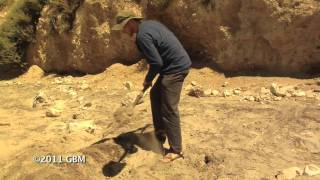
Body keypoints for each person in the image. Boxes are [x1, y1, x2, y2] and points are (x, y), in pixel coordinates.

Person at [112, 10, 192, 162]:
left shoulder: (142, 37)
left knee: (169, 108)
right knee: (155, 95)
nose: (122, 31)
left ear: (130, 23)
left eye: (123, 27)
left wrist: (148, 79)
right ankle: (160, 133)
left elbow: (156, 62)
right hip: (171, 65)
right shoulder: (150, 24)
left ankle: (176, 149)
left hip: (175, 68)